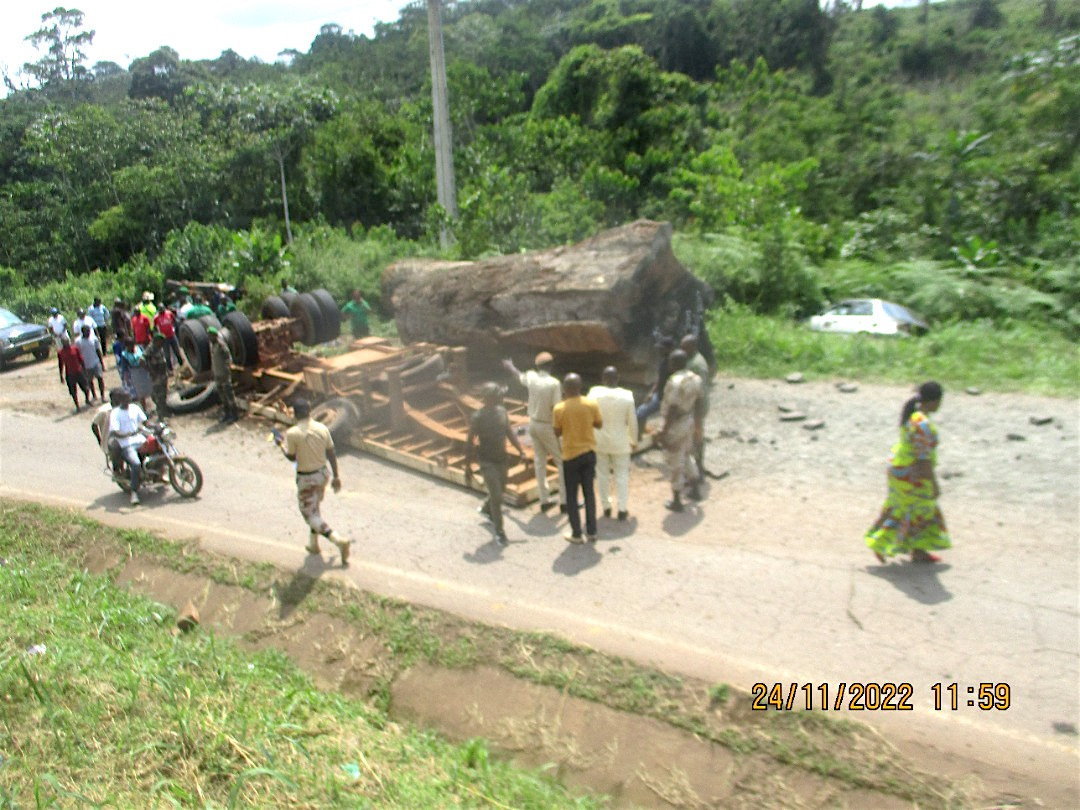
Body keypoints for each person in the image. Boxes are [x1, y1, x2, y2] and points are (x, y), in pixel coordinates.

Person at [865, 382, 951, 564]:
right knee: (921, 509)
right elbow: (923, 457)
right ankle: (881, 543)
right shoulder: (922, 424)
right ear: (935, 401)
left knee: (908, 509)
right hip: (913, 474)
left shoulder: (912, 417)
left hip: (901, 470)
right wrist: (934, 483)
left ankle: (918, 550)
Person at [274, 397, 350, 564]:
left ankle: (338, 540)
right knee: (314, 509)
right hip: (323, 475)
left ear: (295, 413)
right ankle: (313, 545)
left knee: (308, 514)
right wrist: (336, 476)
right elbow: (331, 453)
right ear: (309, 411)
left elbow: (292, 457)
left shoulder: (293, 433)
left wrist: (280, 445)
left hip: (307, 478)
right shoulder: (322, 428)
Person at [502, 352, 566, 513]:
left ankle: (544, 500)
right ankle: (565, 501)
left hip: (533, 424)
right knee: (562, 463)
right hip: (547, 425)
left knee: (540, 462)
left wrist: (510, 366)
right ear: (551, 366)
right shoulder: (554, 383)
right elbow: (556, 408)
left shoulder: (531, 377)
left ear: (537, 366)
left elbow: (519, 375)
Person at [466, 382, 528, 546]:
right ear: (490, 398)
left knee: (499, 491)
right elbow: (470, 441)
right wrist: (467, 466)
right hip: (486, 461)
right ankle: (500, 532)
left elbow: (509, 432)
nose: (502, 397)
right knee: (497, 496)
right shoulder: (478, 417)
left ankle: (487, 509)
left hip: (502, 459)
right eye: (499, 395)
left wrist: (521, 451)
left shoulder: (502, 412)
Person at [553, 373, 603, 544]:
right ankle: (592, 532)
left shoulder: (560, 408)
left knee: (572, 496)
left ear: (564, 389)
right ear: (580, 387)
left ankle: (576, 534)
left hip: (570, 455)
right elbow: (599, 424)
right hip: (589, 453)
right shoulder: (591, 403)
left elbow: (557, 432)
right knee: (589, 493)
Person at [588, 366, 638, 521]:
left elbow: (589, 417)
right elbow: (632, 422)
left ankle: (606, 507)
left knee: (602, 475)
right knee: (621, 476)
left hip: (600, 441)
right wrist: (634, 440)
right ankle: (622, 509)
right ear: (618, 378)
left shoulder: (594, 393)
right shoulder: (627, 396)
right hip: (620, 442)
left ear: (603, 379)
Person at [657, 349, 704, 512]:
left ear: (675, 364)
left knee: (674, 460)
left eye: (670, 362)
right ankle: (695, 489)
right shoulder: (695, 378)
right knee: (686, 454)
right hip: (689, 420)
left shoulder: (675, 382)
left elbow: (672, 409)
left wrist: (663, 431)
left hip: (676, 424)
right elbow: (699, 402)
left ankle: (677, 500)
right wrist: (698, 425)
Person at [108, 388, 148, 505]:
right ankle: (134, 492)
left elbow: (145, 422)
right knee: (136, 464)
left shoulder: (135, 408)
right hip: (126, 444)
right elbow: (115, 431)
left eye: (128, 397)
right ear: (120, 400)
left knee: (157, 447)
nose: (128, 399)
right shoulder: (115, 413)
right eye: (125, 398)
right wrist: (127, 434)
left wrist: (156, 426)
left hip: (140, 439)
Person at [681, 333, 712, 481]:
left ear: (692, 346)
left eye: (685, 347)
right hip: (693, 408)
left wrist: (697, 415)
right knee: (693, 439)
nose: (682, 350)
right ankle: (697, 470)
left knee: (696, 440)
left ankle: (699, 471)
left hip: (697, 408)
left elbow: (701, 391)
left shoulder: (697, 365)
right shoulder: (691, 360)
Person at [636, 336, 676, 436]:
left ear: (669, 348)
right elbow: (660, 379)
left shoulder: (674, 363)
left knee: (642, 413)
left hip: (667, 397)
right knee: (640, 412)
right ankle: (639, 435)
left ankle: (642, 437)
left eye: (662, 348)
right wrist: (652, 392)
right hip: (659, 394)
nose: (659, 350)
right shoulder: (664, 361)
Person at [207, 327, 240, 423]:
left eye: (210, 335)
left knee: (229, 394)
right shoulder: (212, 345)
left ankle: (234, 414)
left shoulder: (221, 345)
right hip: (217, 374)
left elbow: (228, 358)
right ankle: (226, 413)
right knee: (222, 395)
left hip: (224, 374)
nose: (209, 337)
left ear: (215, 335)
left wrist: (226, 370)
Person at [57, 336, 90, 412]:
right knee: (73, 391)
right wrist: (61, 375)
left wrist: (84, 369)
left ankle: (87, 400)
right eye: (65, 342)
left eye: (67, 341)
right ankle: (77, 406)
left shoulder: (75, 349)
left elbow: (81, 359)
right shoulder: (60, 353)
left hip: (79, 371)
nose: (67, 343)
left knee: (86, 387)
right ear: (62, 343)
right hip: (70, 374)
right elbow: (60, 364)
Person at [75, 324, 106, 401]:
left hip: (95, 362)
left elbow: (98, 350)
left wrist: (101, 362)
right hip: (86, 364)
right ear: (82, 332)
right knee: (90, 381)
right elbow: (77, 353)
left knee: (100, 378)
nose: (88, 333)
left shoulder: (94, 338)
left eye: (89, 331)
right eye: (87, 332)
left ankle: (102, 396)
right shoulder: (78, 341)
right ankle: (94, 395)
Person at [144, 332, 171, 418]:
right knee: (158, 395)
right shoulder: (150, 349)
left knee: (163, 394)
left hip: (163, 374)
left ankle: (165, 412)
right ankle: (160, 415)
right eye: (161, 341)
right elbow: (141, 361)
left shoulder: (159, 348)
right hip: (156, 376)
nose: (163, 343)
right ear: (156, 341)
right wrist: (151, 372)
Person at [121, 338, 152, 411]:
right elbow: (125, 369)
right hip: (135, 372)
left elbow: (146, 356)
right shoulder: (124, 355)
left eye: (132, 345)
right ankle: (144, 409)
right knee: (140, 392)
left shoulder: (139, 348)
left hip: (145, 370)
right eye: (129, 345)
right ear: (126, 346)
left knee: (151, 387)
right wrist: (126, 378)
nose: (132, 347)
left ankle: (156, 406)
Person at [153, 305, 182, 370]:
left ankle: (181, 364)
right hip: (164, 338)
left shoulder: (169, 313)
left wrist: (174, 328)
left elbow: (175, 321)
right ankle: (170, 369)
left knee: (177, 350)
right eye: (160, 311)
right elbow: (154, 327)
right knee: (167, 354)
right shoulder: (156, 317)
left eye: (163, 310)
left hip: (172, 335)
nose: (162, 312)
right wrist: (158, 334)